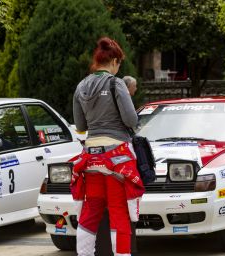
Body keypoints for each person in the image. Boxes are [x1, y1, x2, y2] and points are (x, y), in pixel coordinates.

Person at [72, 36, 145, 256]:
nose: (118, 67)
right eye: (119, 63)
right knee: (118, 211)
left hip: (91, 158)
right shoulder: (116, 83)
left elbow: (81, 126)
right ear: (113, 61)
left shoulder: (81, 86)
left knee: (91, 210)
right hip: (116, 160)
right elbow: (132, 120)